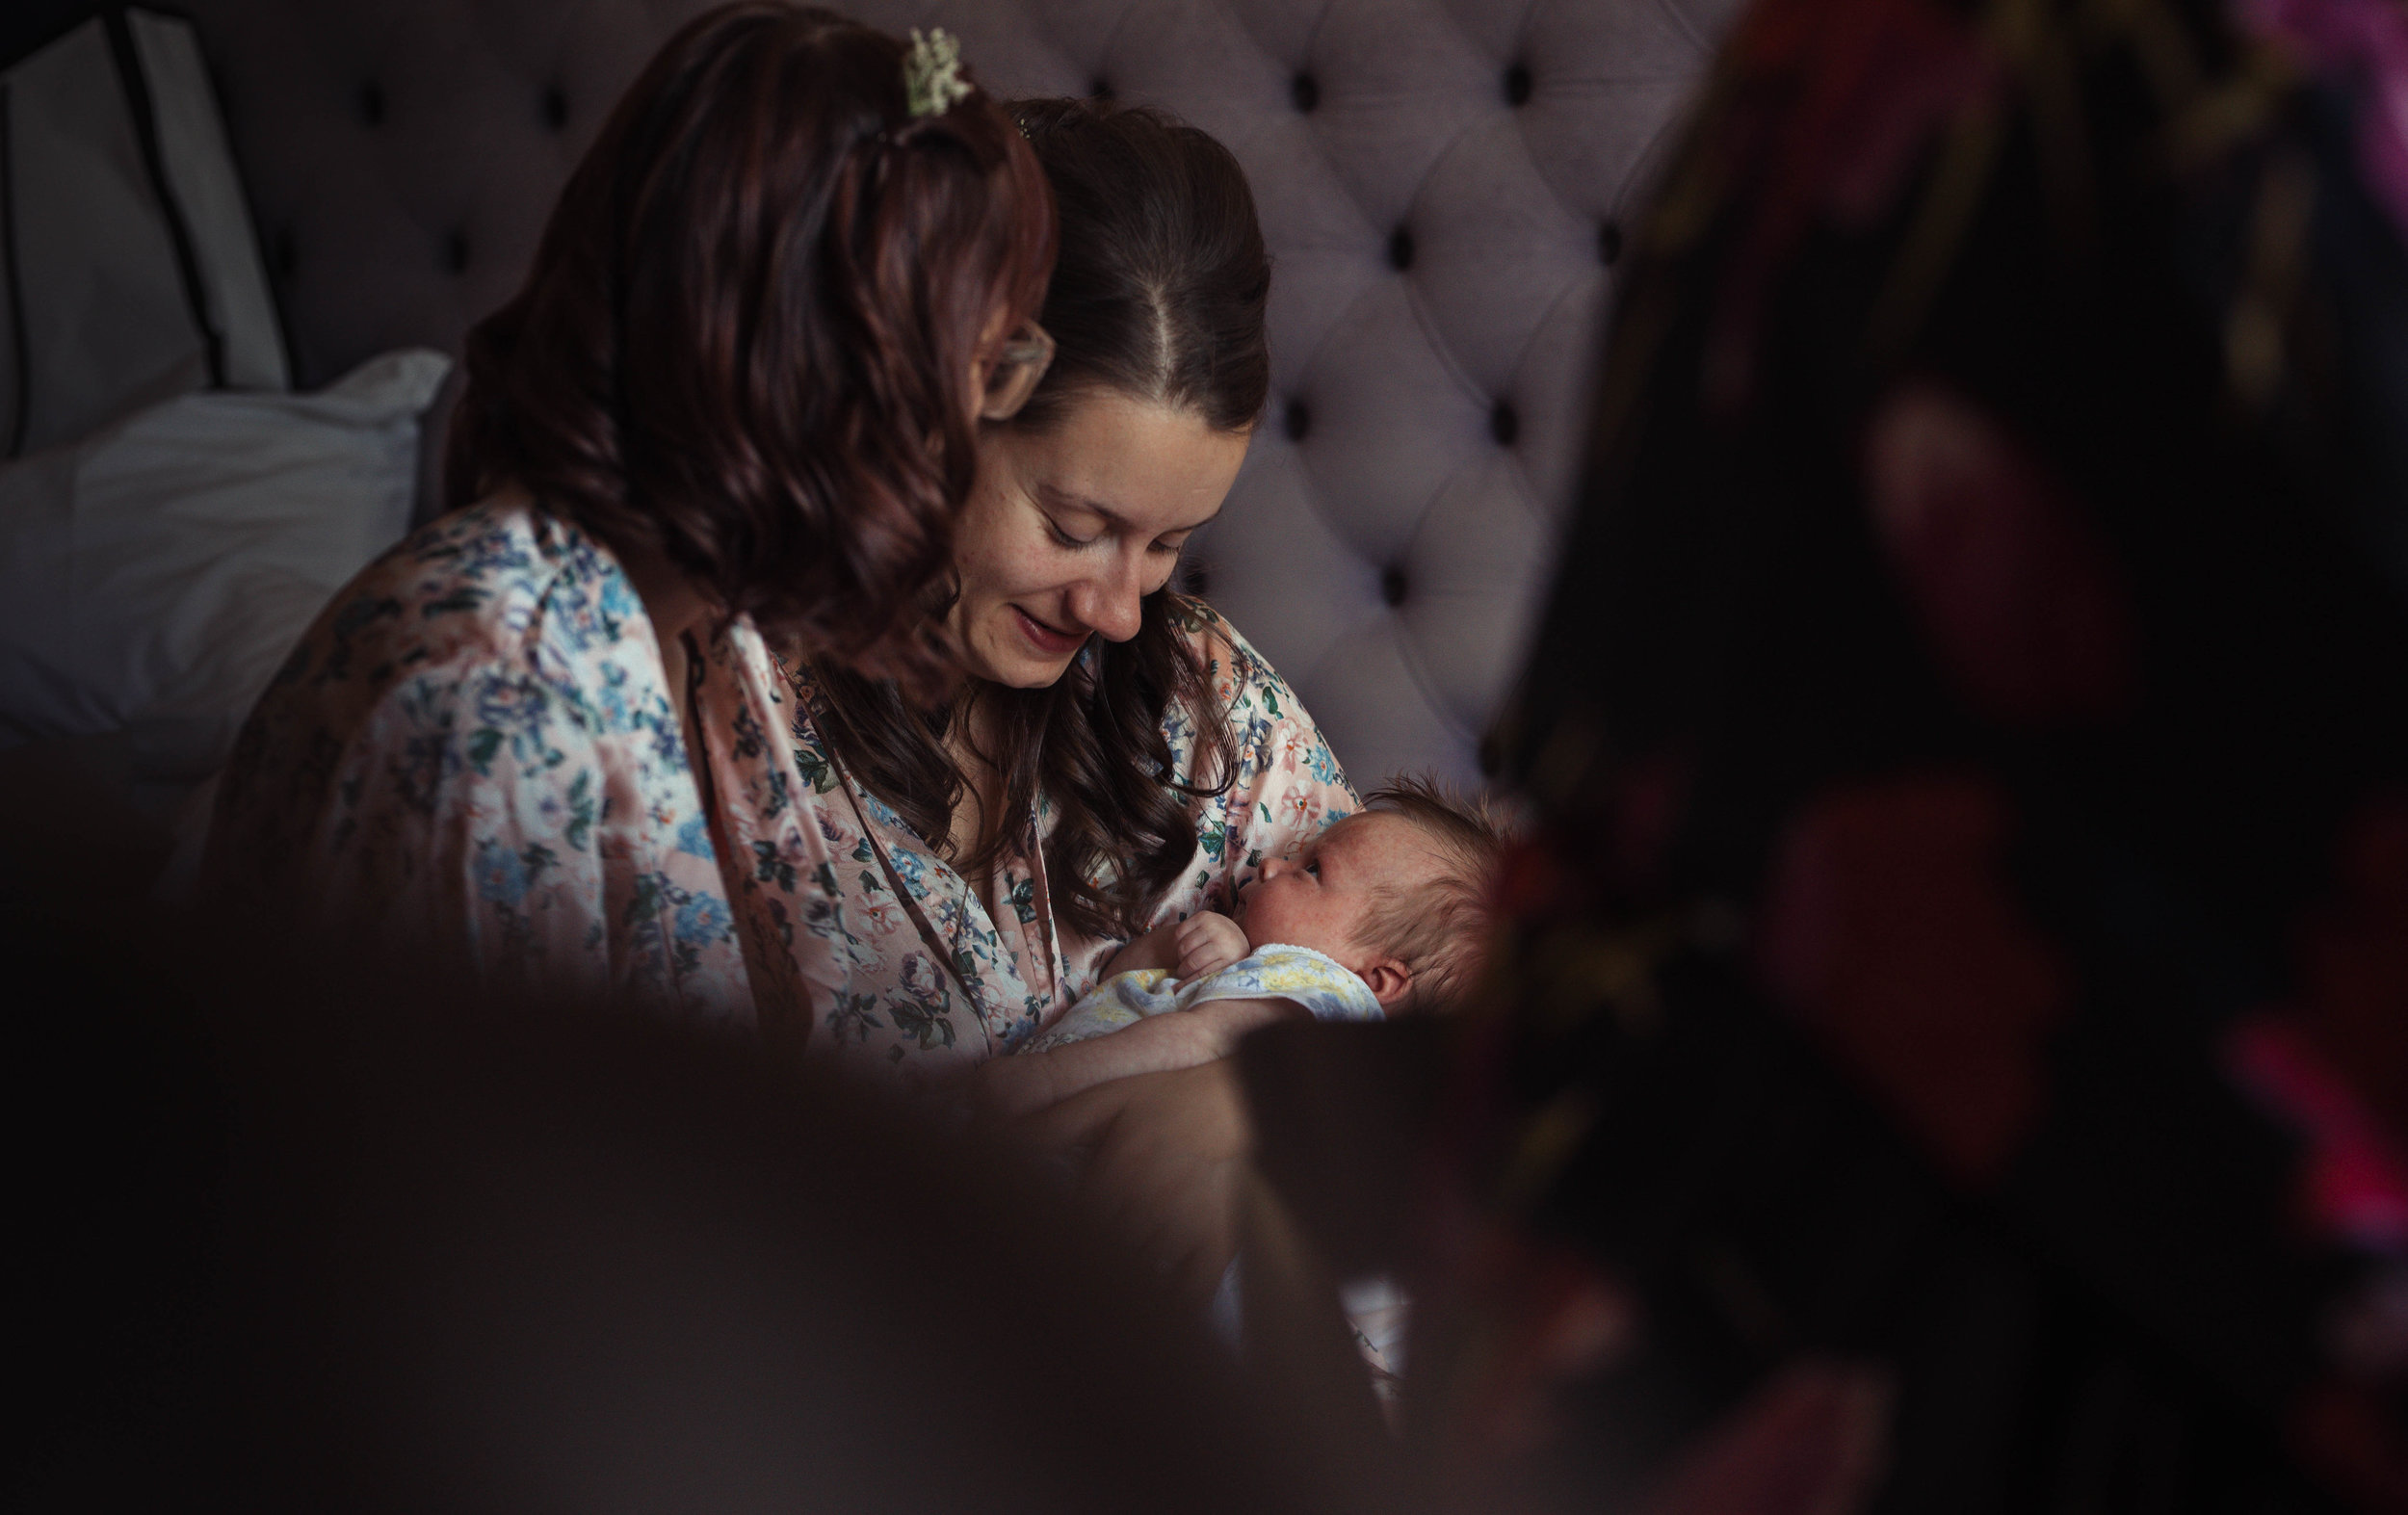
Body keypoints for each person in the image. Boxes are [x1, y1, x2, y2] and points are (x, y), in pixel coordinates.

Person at [199, 5, 1055, 1038]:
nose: (971, 423)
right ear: (823, 377)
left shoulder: (710, 634)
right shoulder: (500, 708)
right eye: (979, 368)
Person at [771, 97, 1358, 1074]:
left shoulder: (1204, 697)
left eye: (1169, 543)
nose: (1119, 612)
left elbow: (1432, 980)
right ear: (928, 418)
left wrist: (1246, 1076)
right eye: (1075, 530)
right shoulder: (706, 712)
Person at [980, 776, 1505, 1117]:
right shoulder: (1267, 978)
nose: (1271, 865)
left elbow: (1203, 1041)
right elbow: (1117, 979)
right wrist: (1185, 947)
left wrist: (1044, 1079)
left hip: (1069, 1116)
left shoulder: (1329, 996)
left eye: (1313, 871)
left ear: (1375, 980)